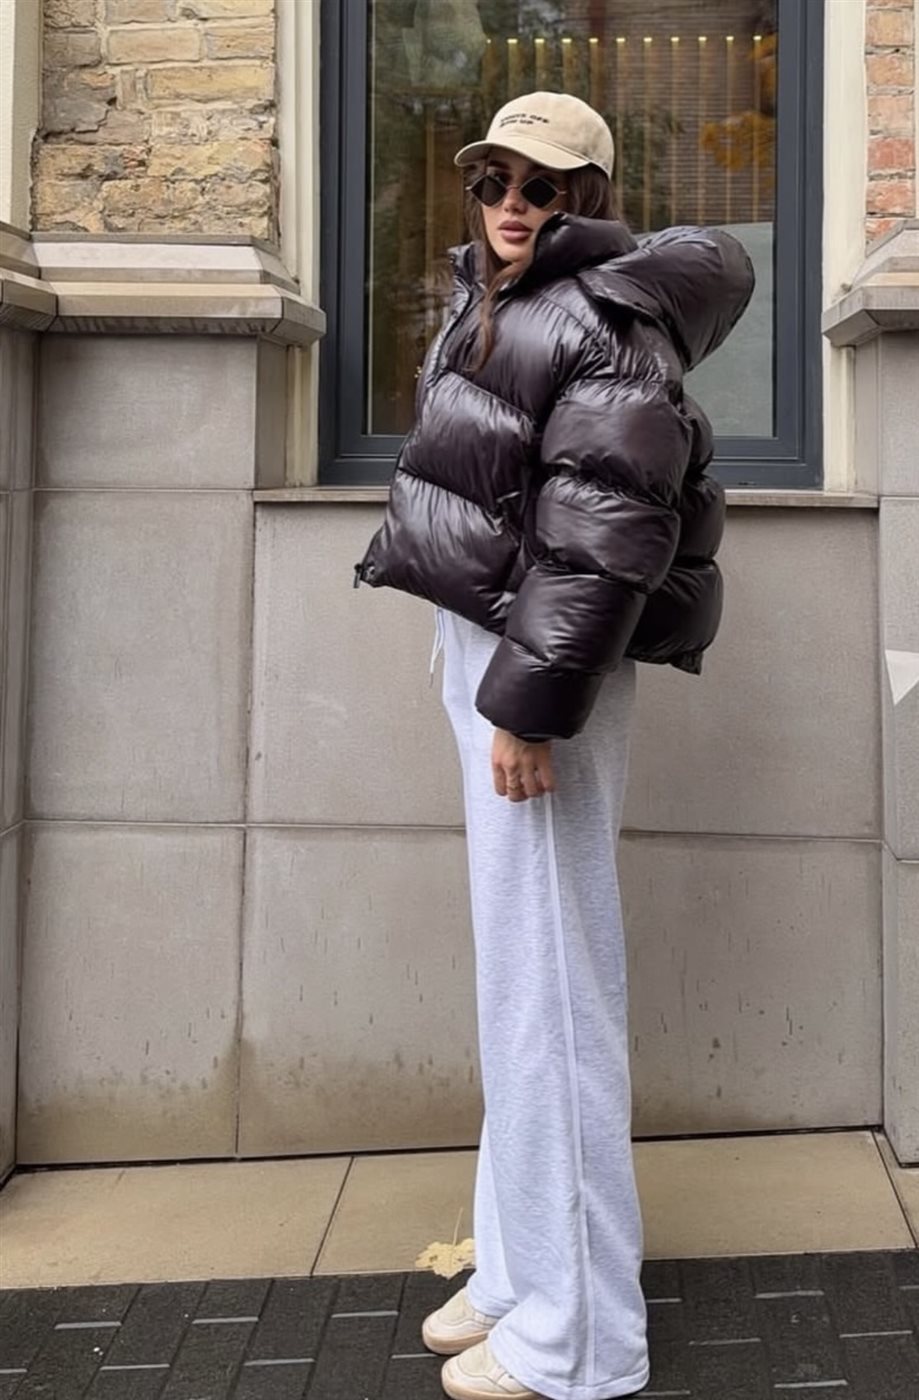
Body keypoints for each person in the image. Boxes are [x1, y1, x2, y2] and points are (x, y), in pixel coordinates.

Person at [354, 90, 754, 1400]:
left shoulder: (601, 318)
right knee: (519, 982)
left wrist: (527, 705)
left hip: (537, 671)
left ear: (589, 198)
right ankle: (521, 1272)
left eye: (543, 185)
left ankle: (579, 1340)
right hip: (496, 647)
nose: (512, 204)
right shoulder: (502, 295)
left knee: (554, 992)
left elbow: (608, 527)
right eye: (494, 180)